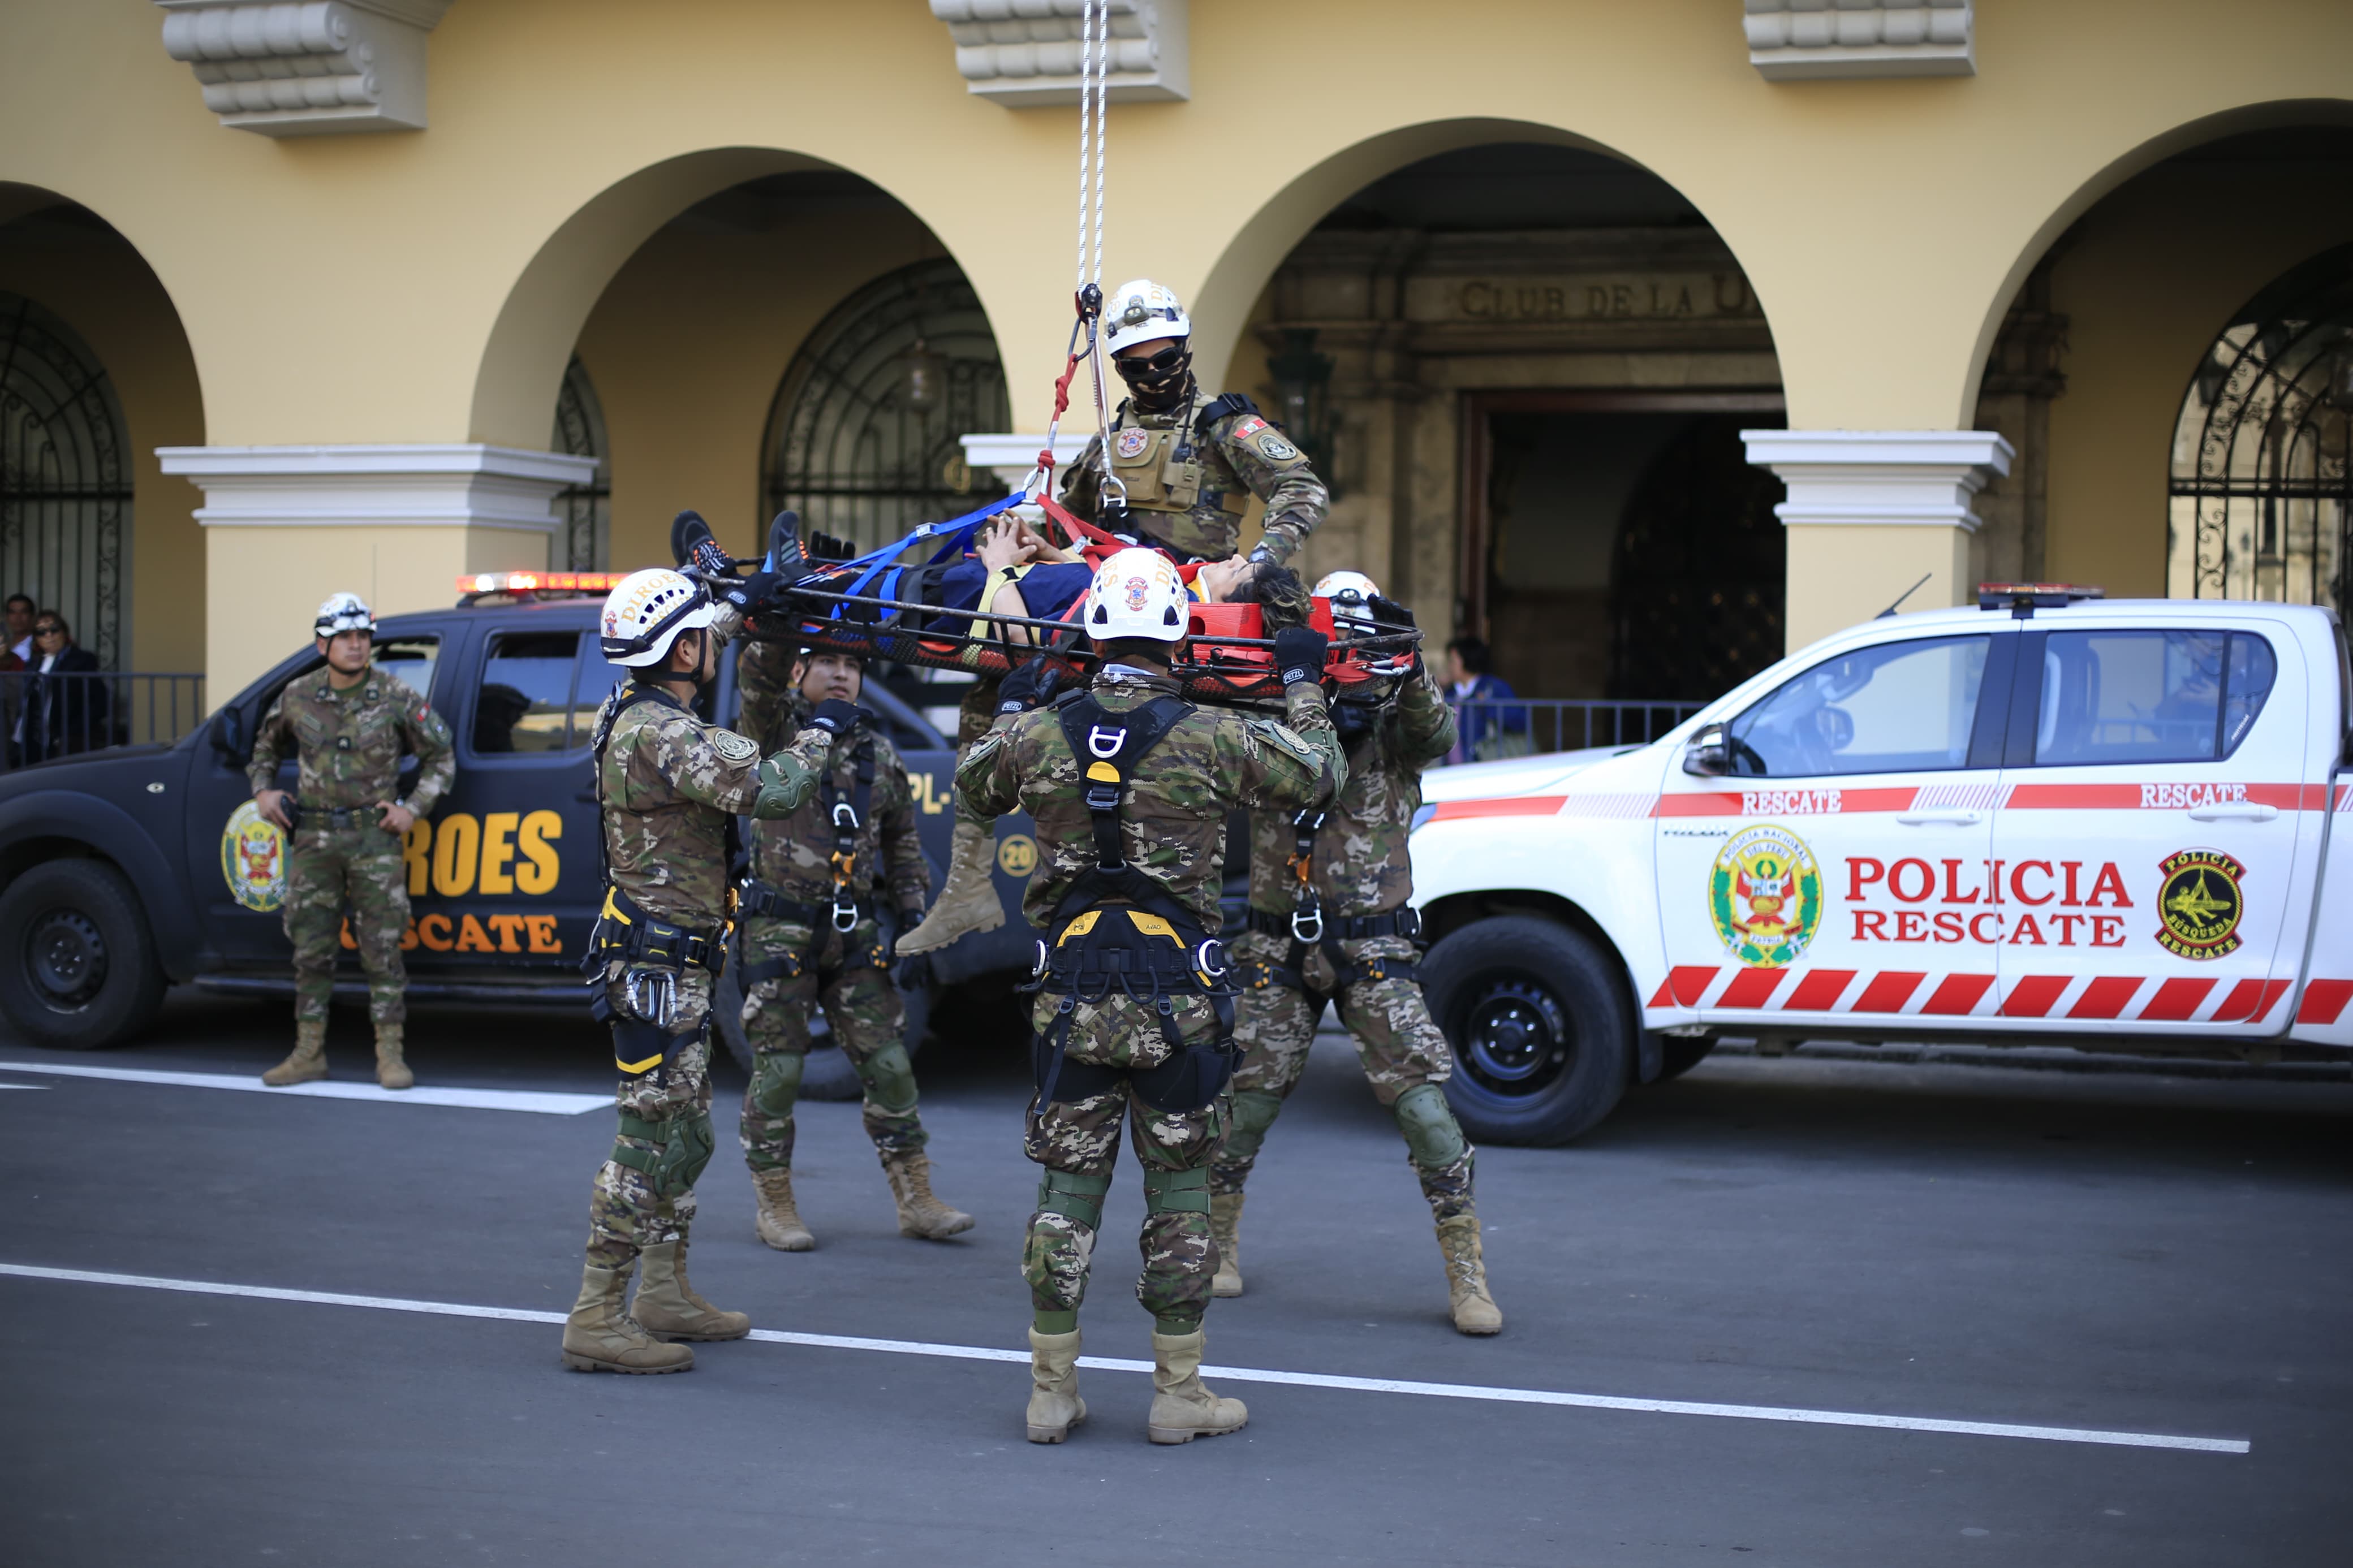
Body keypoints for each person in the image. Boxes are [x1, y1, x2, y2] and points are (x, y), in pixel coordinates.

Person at [958, 546, 1346, 1446]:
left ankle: (1050, 1392)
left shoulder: (1039, 735)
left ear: (1095, 631)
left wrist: (1013, 702)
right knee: (1179, 1198)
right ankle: (1179, 1393)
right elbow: (1320, 771)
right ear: (1181, 631)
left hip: (1073, 1000)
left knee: (1065, 1194)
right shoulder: (1212, 736)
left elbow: (978, 785)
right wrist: (1301, 682)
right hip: (1180, 1007)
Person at [901, 275, 1332, 960]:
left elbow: (1301, 486)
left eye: (1165, 359)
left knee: (1195, 764)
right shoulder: (1109, 439)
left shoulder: (1224, 425)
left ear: (1185, 352)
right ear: (1120, 369)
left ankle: (1229, 919)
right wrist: (1038, 540)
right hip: (1108, 604)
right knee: (996, 687)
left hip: (1184, 610)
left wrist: (1255, 563)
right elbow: (1066, 515)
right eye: (1137, 365)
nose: (1154, 374)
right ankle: (964, 887)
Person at [559, 559, 839, 1377]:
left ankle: (663, 1291)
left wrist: (736, 608)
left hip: (668, 952)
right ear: (680, 656)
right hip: (655, 957)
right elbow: (773, 786)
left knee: (688, 1131)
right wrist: (822, 725)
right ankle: (596, 1314)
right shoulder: (667, 735)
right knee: (649, 1136)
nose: (708, 649)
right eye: (699, 641)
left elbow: (690, 644)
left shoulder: (632, 707)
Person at [1214, 572, 1502, 1335]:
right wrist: (1282, 643)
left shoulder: (1394, 733)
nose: (1343, 655)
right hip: (1278, 944)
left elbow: (1435, 734)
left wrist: (1405, 663)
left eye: (1355, 640)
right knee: (1245, 1101)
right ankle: (1218, 1242)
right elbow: (1226, 695)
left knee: (1427, 1112)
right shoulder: (1273, 713)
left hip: (1375, 948)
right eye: (1331, 638)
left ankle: (1467, 1272)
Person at [731, 637, 972, 1251]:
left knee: (889, 1064)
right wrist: (772, 621)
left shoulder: (877, 752)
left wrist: (919, 923)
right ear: (798, 669)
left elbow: (903, 847)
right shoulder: (771, 733)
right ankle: (774, 1205)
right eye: (827, 663)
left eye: (853, 665)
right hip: (780, 929)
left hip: (854, 932)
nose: (841, 675)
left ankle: (915, 1196)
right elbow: (757, 680)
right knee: (780, 1071)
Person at [249, 594, 455, 1090]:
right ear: (323, 644)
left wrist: (412, 808)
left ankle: (390, 1056)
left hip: (373, 839)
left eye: (363, 636)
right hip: (315, 837)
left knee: (382, 950)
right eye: (345, 637)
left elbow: (441, 756)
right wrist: (263, 790)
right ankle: (308, 1052)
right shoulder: (297, 696)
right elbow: (264, 748)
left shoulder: (395, 696)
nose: (357, 645)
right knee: (311, 949)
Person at [18, 612, 109, 762]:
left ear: (64, 632)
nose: (49, 636)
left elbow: (100, 702)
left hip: (66, 740)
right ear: (36, 639)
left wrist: (72, 732)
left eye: (54, 629)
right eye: (41, 632)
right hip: (32, 739)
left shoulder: (81, 660)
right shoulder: (33, 664)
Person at [1443, 635, 1529, 764]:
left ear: (1467, 660)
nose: (1449, 666)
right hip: (1452, 769)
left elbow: (1520, 722)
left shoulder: (1494, 688)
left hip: (1484, 765)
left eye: (1453, 661)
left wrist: (1489, 706)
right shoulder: (1450, 693)